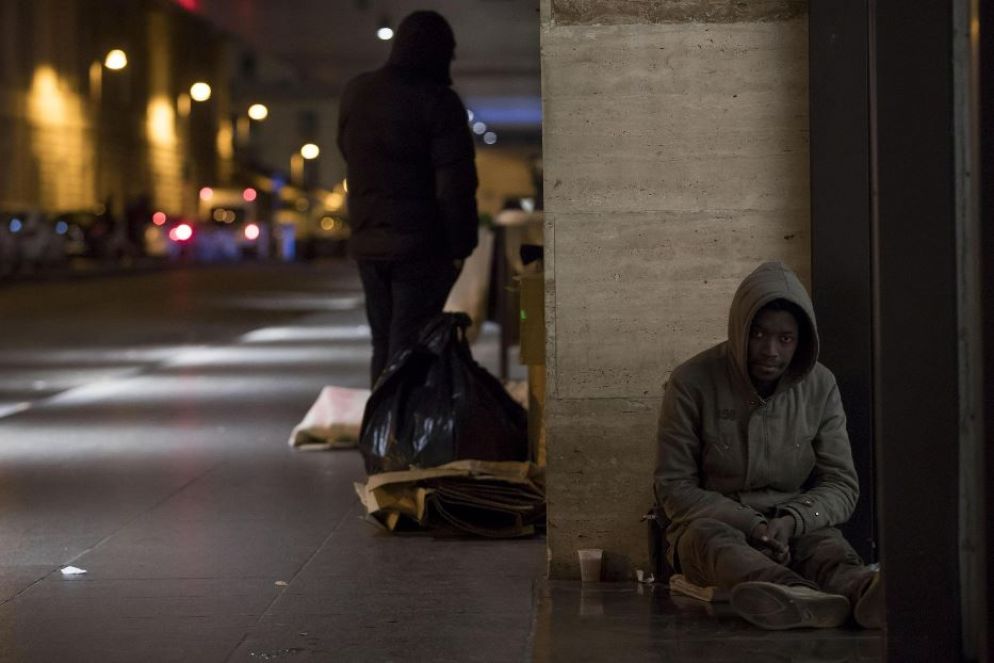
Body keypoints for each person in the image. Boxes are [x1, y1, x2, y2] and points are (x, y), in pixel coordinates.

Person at [654, 261, 883, 630]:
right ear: (740, 330)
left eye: (785, 339)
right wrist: (752, 524)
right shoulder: (691, 381)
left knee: (828, 550)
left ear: (801, 341)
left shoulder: (820, 385)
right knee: (712, 542)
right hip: (714, 526)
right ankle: (792, 594)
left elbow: (842, 484)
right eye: (758, 334)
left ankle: (865, 591)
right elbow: (674, 488)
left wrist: (792, 521)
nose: (771, 350)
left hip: (794, 524)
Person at [337, 10, 479, 387]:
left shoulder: (356, 92)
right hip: (421, 247)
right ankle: (403, 421)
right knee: (410, 344)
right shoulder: (438, 101)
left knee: (382, 342)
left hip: (368, 243)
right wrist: (460, 246)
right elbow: (455, 184)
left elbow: (348, 152)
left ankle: (380, 421)